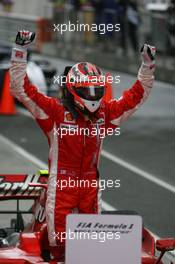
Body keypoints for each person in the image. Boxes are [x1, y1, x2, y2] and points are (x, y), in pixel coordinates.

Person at [10, 30, 156, 263]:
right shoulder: (55, 112)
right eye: (87, 90)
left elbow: (135, 98)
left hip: (90, 186)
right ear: (72, 89)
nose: (93, 96)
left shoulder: (103, 114)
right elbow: (21, 89)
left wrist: (147, 66)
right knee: (58, 248)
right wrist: (20, 51)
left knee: (91, 249)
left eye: (96, 90)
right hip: (61, 187)